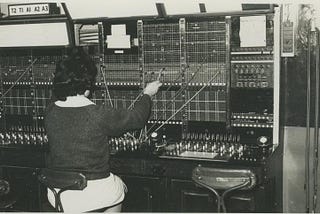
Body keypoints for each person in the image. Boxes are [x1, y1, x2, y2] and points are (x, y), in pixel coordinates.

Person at [44, 47, 162, 212]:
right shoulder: (97, 113)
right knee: (119, 186)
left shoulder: (50, 111)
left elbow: (57, 95)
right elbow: (138, 118)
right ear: (88, 86)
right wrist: (147, 94)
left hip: (59, 193)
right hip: (93, 192)